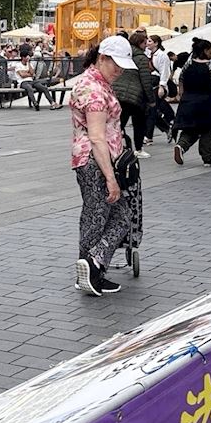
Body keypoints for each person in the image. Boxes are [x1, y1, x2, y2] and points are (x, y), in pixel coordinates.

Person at [69, 35, 138, 297]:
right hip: (96, 160)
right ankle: (93, 265)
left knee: (95, 217)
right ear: (102, 58)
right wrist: (110, 177)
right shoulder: (95, 90)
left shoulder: (94, 83)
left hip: (92, 159)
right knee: (116, 216)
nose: (119, 71)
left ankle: (89, 272)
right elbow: (97, 137)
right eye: (116, 65)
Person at [172, 38, 211, 168]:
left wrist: (183, 97)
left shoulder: (188, 65)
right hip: (207, 104)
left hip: (188, 102)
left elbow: (181, 81)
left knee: (189, 129)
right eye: (210, 50)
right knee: (208, 130)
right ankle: (207, 159)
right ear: (205, 50)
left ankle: (181, 146)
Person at [112, 31, 150, 158]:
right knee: (139, 122)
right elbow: (146, 80)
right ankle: (138, 149)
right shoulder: (141, 58)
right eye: (144, 43)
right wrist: (151, 99)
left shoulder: (124, 55)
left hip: (118, 92)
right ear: (139, 43)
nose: (146, 46)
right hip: (134, 94)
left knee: (119, 122)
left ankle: (113, 147)